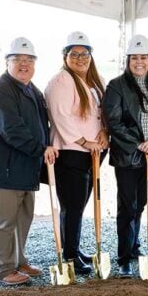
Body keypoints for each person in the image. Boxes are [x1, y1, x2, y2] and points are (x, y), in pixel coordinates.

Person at [0, 37, 57, 286]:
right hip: (2, 168)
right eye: (18, 60)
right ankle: (2, 268)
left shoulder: (32, 90)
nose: (24, 64)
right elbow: (12, 129)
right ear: (6, 62)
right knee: (6, 220)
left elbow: (42, 126)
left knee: (23, 217)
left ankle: (20, 261)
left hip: (23, 167)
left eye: (29, 60)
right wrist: (41, 149)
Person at [104, 35, 148, 277]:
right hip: (128, 156)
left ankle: (134, 246)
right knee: (127, 206)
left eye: (143, 58)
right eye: (134, 58)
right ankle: (124, 257)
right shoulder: (116, 86)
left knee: (142, 202)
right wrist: (139, 145)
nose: (139, 62)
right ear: (127, 60)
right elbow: (113, 122)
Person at [45, 31, 108, 275]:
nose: (81, 58)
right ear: (65, 56)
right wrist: (84, 140)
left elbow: (102, 113)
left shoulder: (95, 80)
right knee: (71, 206)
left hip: (92, 152)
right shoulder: (62, 81)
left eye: (85, 54)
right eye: (75, 54)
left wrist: (104, 133)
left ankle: (75, 248)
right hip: (72, 152)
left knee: (79, 205)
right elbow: (60, 115)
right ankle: (69, 254)